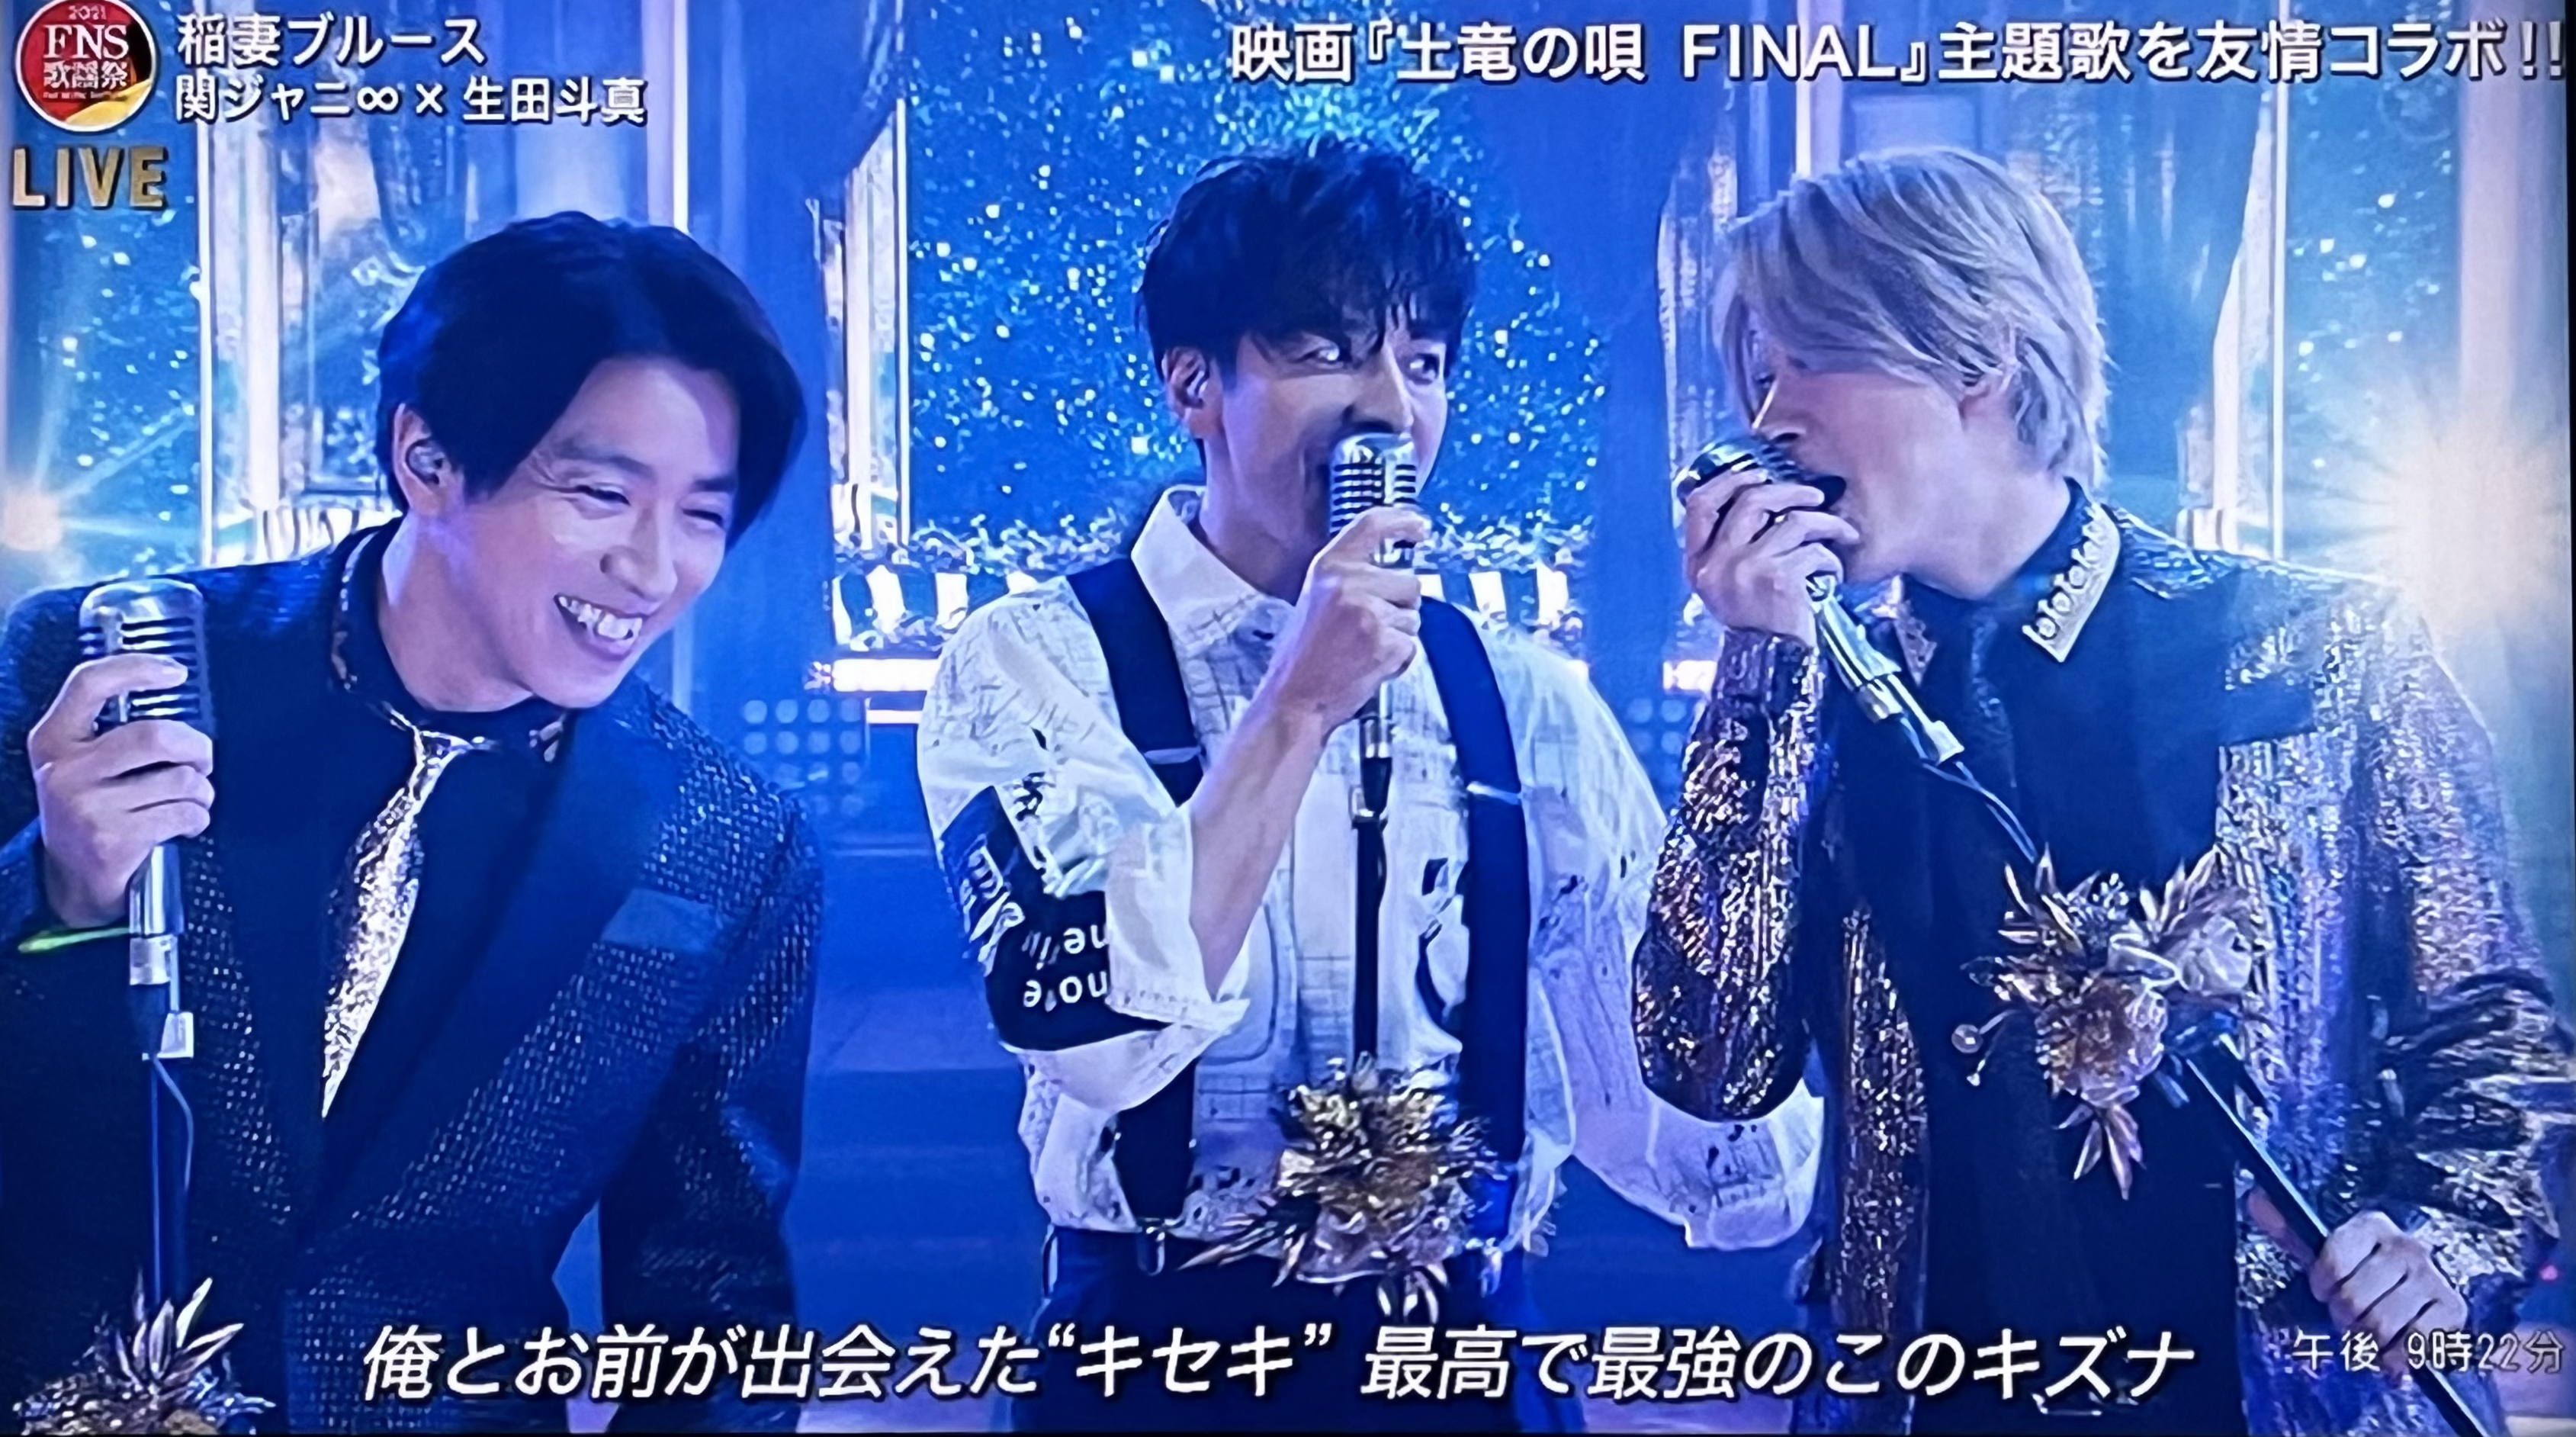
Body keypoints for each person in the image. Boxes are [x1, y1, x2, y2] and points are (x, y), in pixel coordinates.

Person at [1634, 146, 2573, 1435]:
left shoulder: (2314, 653)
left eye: (1809, 360)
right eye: (1756, 379)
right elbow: (1708, 1067)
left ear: (1975, 353)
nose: (1770, 418)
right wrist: (1757, 670)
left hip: (2271, 1397)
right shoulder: (1808, 707)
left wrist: (2438, 1241)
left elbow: (2490, 1037)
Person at [918, 136, 1823, 1432]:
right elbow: (1098, 1037)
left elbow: (1703, 1139)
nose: (1387, 408)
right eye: (1324, 351)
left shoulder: (1522, 699)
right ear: (1192, 381)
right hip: (1157, 1350)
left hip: (1460, 1347)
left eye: (1424, 362)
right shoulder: (1037, 661)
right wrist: (1296, 703)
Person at [0, 213, 819, 1432]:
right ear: (425, 457)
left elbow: (715, 1306)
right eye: (602, 495)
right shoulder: (107, 678)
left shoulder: (725, 839)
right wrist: (57, 895)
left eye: (702, 514)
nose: (653, 570)